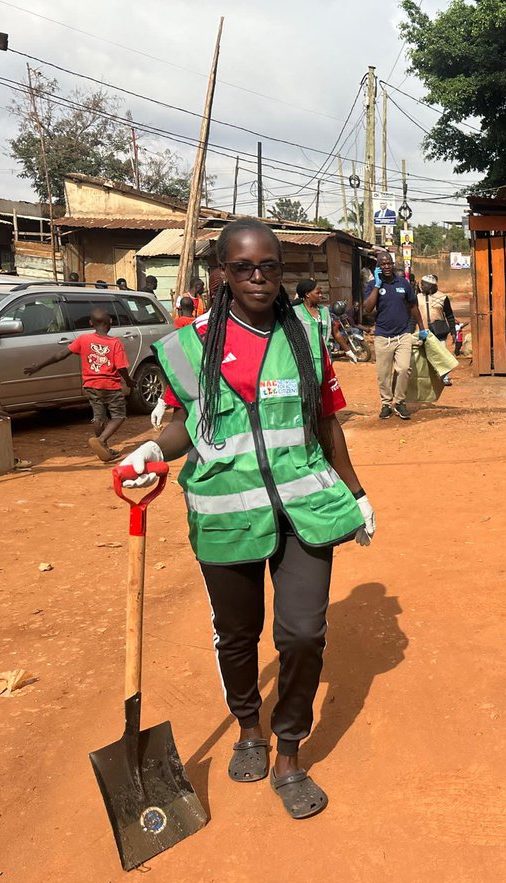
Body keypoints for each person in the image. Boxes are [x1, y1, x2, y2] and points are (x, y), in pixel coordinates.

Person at [119, 217, 377, 820]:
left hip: (304, 510)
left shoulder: (307, 333)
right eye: (243, 268)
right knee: (238, 636)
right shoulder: (189, 345)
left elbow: (325, 420)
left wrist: (357, 491)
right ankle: (248, 728)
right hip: (227, 512)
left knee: (303, 633)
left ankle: (288, 751)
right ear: (222, 274)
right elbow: (186, 422)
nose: (259, 278)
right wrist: (154, 448)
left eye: (270, 266)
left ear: (282, 270)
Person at [23, 307, 133, 461]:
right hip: (110, 386)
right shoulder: (115, 343)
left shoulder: (83, 339)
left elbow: (61, 354)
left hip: (90, 385)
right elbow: (121, 367)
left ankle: (104, 448)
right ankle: (101, 441)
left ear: (90, 323)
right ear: (110, 323)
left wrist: (39, 366)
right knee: (119, 416)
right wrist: (129, 381)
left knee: (98, 417)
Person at [363, 250, 423, 421]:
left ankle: (400, 401)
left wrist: (422, 327)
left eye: (389, 263)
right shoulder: (373, 285)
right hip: (382, 336)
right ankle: (386, 404)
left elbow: (413, 306)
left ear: (393, 264)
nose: (387, 266)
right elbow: (368, 308)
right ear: (378, 267)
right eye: (383, 264)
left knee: (404, 368)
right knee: (384, 374)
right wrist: (377, 285)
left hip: (403, 334)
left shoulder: (403, 283)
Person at [295, 279, 350, 356]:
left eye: (321, 293)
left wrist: (348, 350)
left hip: (325, 358)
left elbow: (335, 332)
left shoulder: (324, 311)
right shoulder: (296, 311)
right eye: (318, 293)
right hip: (305, 358)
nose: (321, 295)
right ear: (307, 294)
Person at [418, 274, 456, 384]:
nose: (421, 286)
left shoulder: (443, 297)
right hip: (422, 330)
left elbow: (449, 315)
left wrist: (453, 331)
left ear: (431, 286)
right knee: (423, 355)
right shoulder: (417, 298)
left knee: (441, 354)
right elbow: (412, 316)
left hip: (439, 331)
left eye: (424, 285)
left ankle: (445, 377)